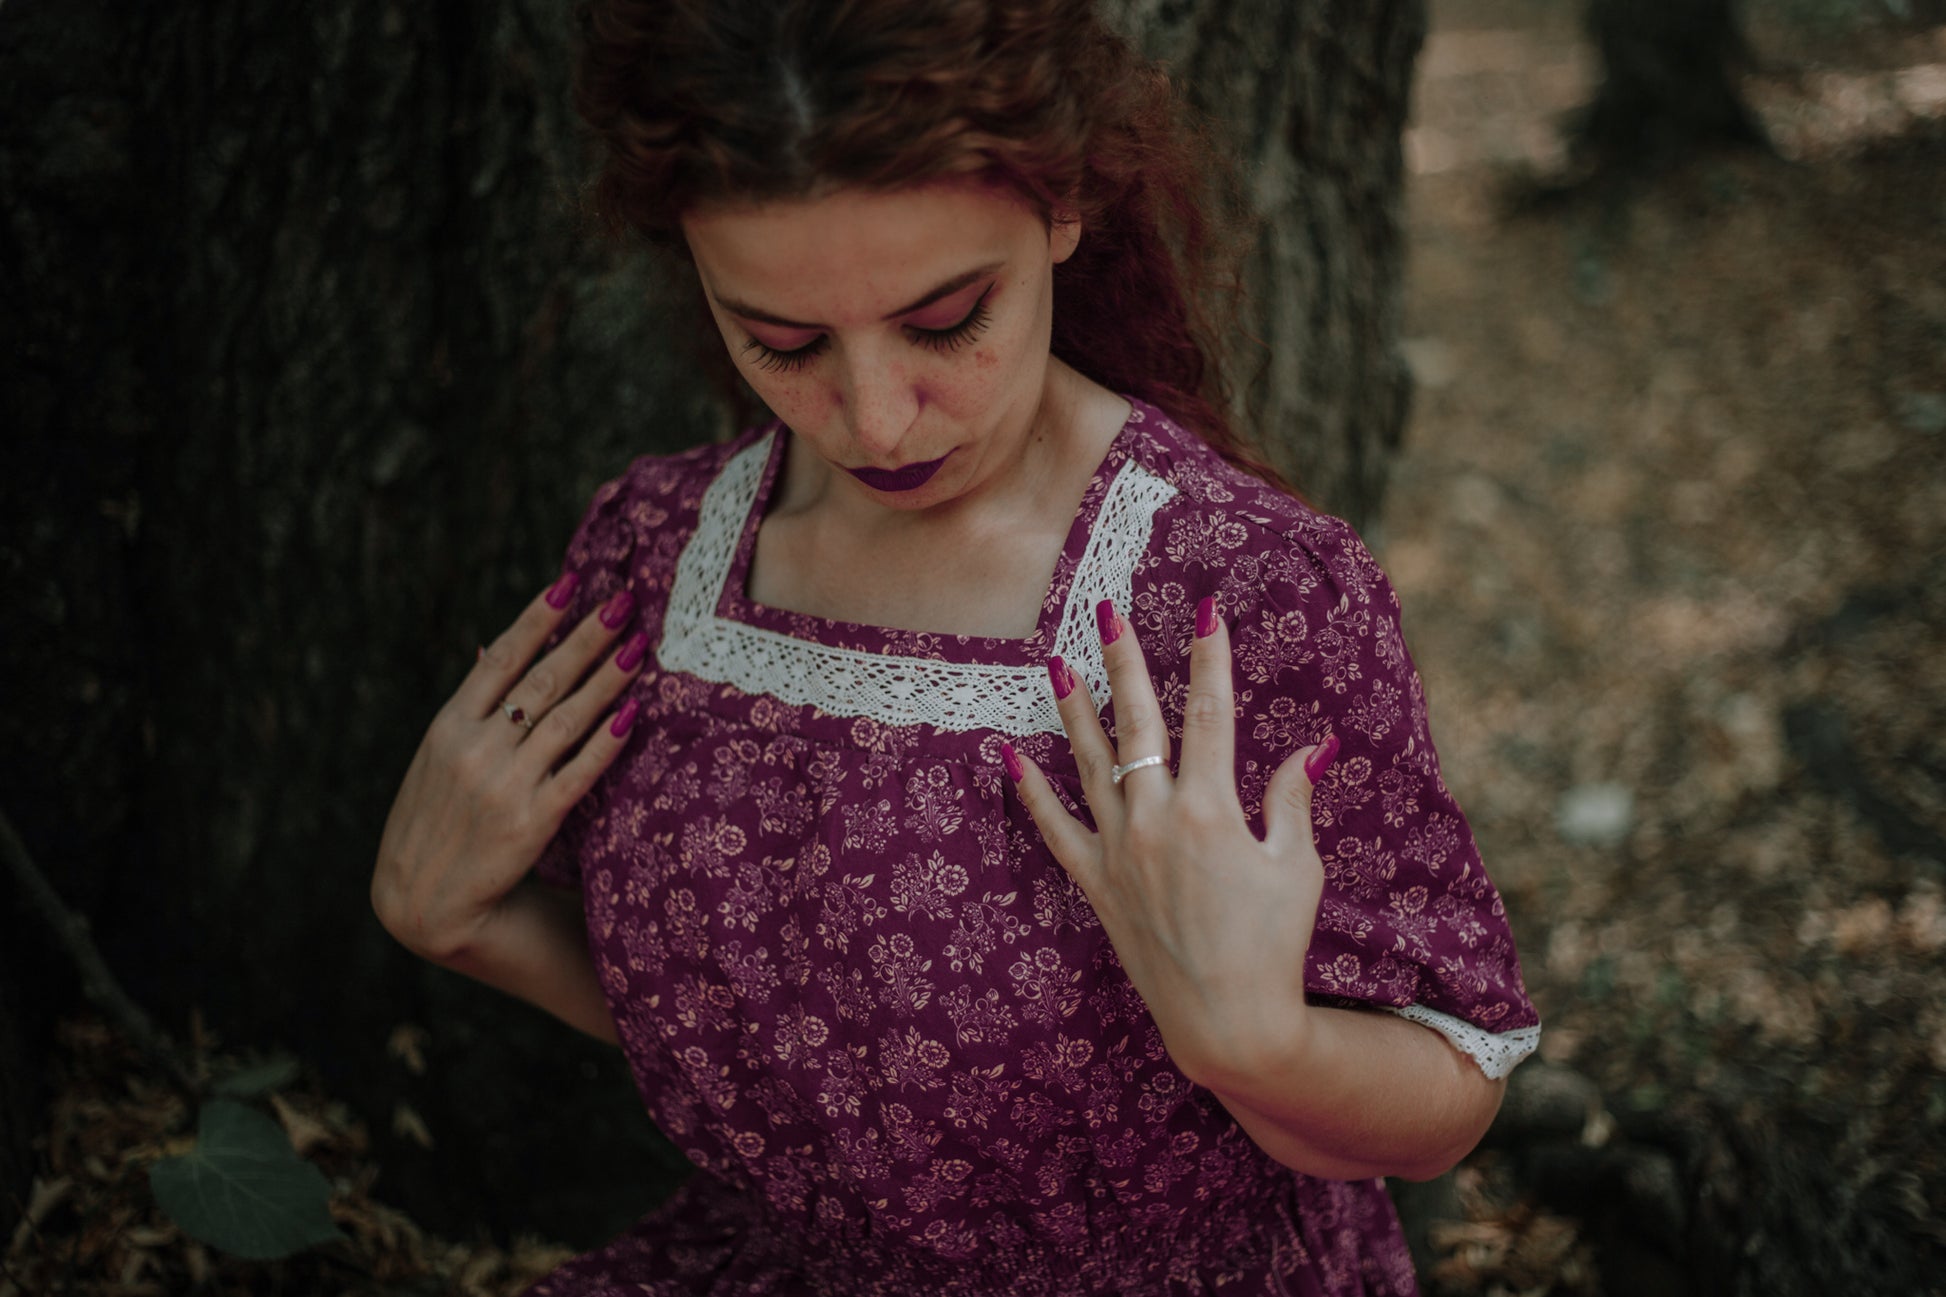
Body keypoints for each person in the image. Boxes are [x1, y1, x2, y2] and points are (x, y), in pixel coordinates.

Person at [371, 1, 1541, 1292]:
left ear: (1060, 206)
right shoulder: (657, 557)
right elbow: (791, 1050)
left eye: (944, 319)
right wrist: (463, 925)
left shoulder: (1233, 593)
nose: (872, 420)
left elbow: (1454, 1080)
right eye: (782, 341)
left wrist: (1257, 1044)